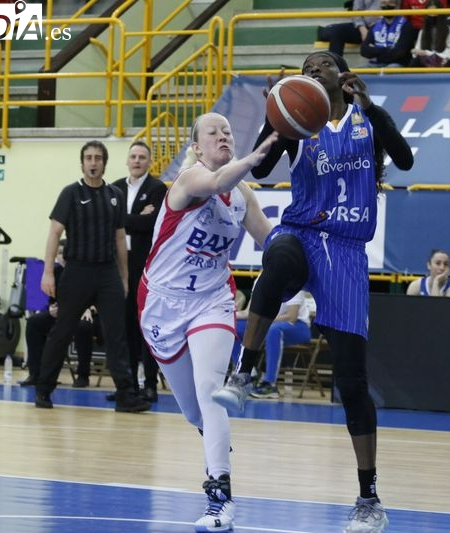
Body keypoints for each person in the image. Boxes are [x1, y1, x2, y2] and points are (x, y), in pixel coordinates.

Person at [212, 51, 413, 533]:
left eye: (322, 63)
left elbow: (404, 159)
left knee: (352, 383)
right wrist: (274, 118)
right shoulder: (297, 125)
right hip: (301, 233)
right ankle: (245, 372)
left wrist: (371, 107)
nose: (312, 70)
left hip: (345, 250)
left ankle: (368, 498)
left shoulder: (366, 120)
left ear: (342, 75)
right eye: (306, 66)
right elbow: (260, 171)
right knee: (277, 257)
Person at [138, 112, 277, 532]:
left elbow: (269, 241)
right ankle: (215, 439)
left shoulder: (243, 195)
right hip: (162, 304)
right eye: (213, 132)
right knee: (194, 411)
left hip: (212, 300)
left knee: (210, 390)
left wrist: (297, 253)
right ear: (196, 148)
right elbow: (216, 182)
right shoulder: (188, 179)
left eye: (228, 131)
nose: (223, 136)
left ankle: (220, 497)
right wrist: (254, 157)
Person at [34, 140, 150, 413]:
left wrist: (124, 277)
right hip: (77, 271)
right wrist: (48, 272)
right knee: (62, 331)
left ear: (104, 163)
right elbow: (54, 233)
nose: (93, 162)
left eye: (98, 157)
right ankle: (43, 389)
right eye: (89, 158)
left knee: (116, 334)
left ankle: (126, 396)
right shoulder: (70, 193)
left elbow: (120, 238)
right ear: (82, 163)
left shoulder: (114, 195)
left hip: (107, 272)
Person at [111, 141, 167, 402]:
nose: (137, 161)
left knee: (146, 326)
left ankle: (150, 385)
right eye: (133, 156)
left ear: (149, 162)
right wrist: (135, 218)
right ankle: (128, 385)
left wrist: (122, 219)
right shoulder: (114, 188)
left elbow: (152, 224)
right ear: (127, 160)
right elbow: (111, 223)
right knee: (124, 327)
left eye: (142, 157)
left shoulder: (157, 189)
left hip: (145, 266)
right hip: (119, 265)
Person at [19, 240, 96, 388]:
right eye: (59, 253)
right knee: (34, 322)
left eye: (65, 253)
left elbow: (96, 298)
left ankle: (83, 375)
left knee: (83, 327)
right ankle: (35, 374)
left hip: (82, 314)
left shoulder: (86, 272)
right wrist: (51, 309)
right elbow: (52, 300)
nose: (63, 257)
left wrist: (89, 309)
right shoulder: (55, 272)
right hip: (61, 315)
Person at [232, 277, 312, 399]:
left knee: (274, 330)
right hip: (269, 323)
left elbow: (292, 317)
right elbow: (249, 312)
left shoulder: (293, 280)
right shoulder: (260, 280)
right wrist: (228, 316)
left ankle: (270, 384)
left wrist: (265, 321)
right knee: (233, 327)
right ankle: (248, 373)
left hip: (298, 326)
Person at [360, 0, 415, 67]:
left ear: (397, 6)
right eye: (384, 3)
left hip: (398, 64)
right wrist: (388, 49)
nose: (387, 6)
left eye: (391, 3)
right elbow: (363, 50)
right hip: (376, 63)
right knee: (356, 71)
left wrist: (375, 50)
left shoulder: (406, 26)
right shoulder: (375, 26)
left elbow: (399, 53)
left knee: (391, 69)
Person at [317, 0, 383, 56]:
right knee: (337, 31)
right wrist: (362, 29)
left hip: (385, 28)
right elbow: (356, 12)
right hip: (366, 27)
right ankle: (336, 64)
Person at [409, 0, 450, 67]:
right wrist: (415, 51)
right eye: (430, 13)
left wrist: (428, 53)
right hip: (425, 62)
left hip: (442, 63)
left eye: (435, 12)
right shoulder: (422, 31)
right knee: (415, 61)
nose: (432, 15)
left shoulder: (449, 31)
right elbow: (417, 50)